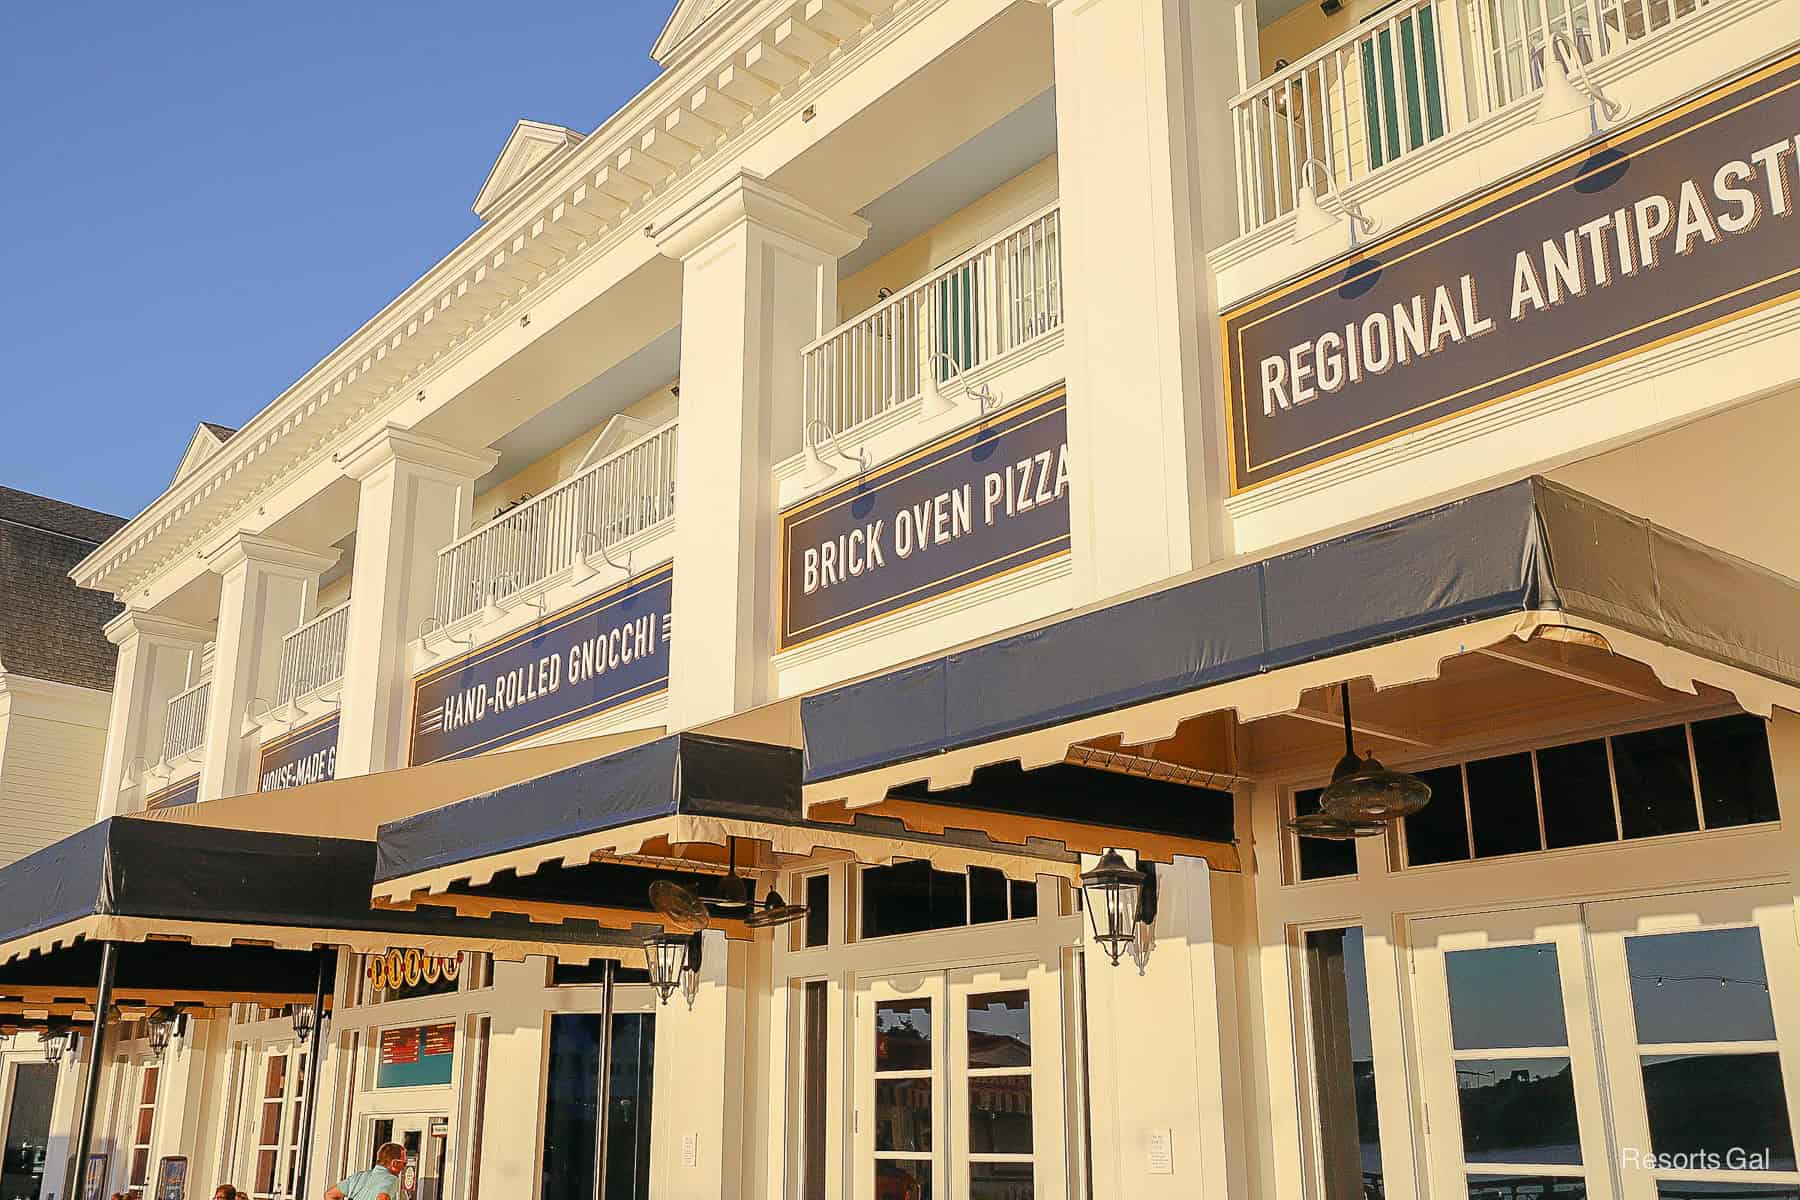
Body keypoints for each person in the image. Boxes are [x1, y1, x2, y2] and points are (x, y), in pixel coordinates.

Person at [325, 1142, 407, 1200]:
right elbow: (382, 1198)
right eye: (404, 1164)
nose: (403, 1168)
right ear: (394, 1163)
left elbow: (330, 1195)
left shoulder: (359, 1177)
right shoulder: (391, 1179)